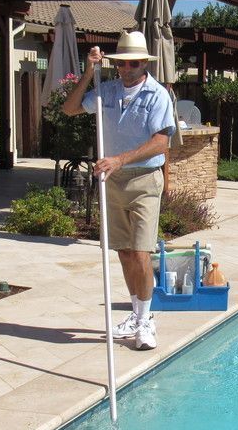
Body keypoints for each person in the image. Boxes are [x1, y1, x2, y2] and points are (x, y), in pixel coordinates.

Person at [63, 30, 175, 351]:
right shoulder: (105, 91)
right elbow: (69, 109)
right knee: (124, 252)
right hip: (112, 182)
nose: (128, 69)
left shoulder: (157, 95)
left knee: (141, 252)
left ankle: (145, 320)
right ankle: (136, 313)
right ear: (116, 65)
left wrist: (119, 159)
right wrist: (87, 73)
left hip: (143, 180)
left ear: (144, 64)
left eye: (135, 63)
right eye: (123, 63)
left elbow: (161, 142)